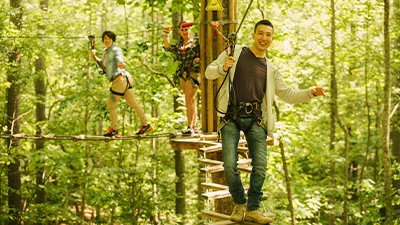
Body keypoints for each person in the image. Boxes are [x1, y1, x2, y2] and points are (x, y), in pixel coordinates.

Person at [205, 20, 325, 224]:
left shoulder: (271, 69)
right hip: (231, 117)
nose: (264, 38)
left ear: (272, 38)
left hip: (256, 120)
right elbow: (209, 72)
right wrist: (222, 68)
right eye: (260, 33)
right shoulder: (235, 52)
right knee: (229, 166)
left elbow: (287, 94)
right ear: (253, 35)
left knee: (260, 167)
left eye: (268, 35)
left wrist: (310, 93)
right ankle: (240, 203)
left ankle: (253, 209)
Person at [91, 31, 152, 137]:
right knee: (133, 103)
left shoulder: (115, 49)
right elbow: (105, 66)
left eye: (109, 38)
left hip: (120, 81)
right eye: (105, 38)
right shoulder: (105, 51)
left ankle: (114, 129)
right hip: (124, 81)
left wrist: (121, 64)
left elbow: (120, 60)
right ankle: (145, 124)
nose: (107, 40)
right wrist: (95, 57)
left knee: (111, 103)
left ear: (113, 40)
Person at [163, 21, 201, 136]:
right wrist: (166, 34)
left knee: (188, 100)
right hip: (182, 74)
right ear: (179, 31)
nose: (184, 32)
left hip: (193, 72)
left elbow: (202, 51)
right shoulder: (179, 44)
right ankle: (194, 125)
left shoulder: (196, 42)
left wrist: (198, 58)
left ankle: (190, 126)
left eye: (186, 29)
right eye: (182, 30)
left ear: (190, 30)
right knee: (190, 100)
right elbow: (167, 47)